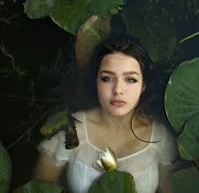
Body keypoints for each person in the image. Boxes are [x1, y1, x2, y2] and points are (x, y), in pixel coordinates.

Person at [33, 35, 177, 193]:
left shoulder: (159, 138)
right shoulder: (71, 130)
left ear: (143, 85)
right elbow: (40, 188)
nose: (118, 90)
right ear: (96, 81)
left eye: (130, 80)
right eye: (107, 78)